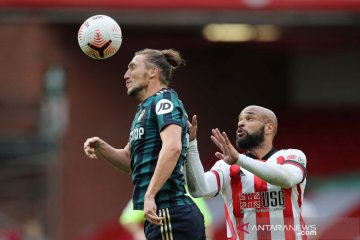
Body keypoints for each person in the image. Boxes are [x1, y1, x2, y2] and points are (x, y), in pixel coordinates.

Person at [83, 49, 206, 240]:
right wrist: (101, 147)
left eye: (132, 68)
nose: (126, 75)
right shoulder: (145, 109)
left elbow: (173, 147)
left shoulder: (164, 101)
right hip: (161, 215)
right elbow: (128, 160)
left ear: (152, 72)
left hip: (170, 213)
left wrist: (150, 196)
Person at [185, 105, 307, 240]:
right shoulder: (226, 166)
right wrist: (191, 143)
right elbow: (199, 190)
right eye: (240, 120)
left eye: (249, 118)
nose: (240, 123)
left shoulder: (292, 156)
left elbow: (286, 179)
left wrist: (238, 159)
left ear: (269, 128)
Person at [120, 195, 214, 240]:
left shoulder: (189, 192)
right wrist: (139, 233)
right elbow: (127, 219)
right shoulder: (147, 194)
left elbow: (207, 224)